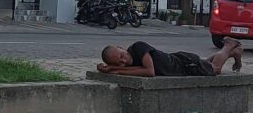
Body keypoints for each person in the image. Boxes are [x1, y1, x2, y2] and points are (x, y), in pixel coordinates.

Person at [97, 38, 243, 77]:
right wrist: (111, 68)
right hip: (181, 62)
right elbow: (138, 68)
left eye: (121, 56)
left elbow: (149, 71)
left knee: (215, 69)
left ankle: (228, 46)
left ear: (121, 47)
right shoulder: (128, 63)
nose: (124, 60)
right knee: (205, 64)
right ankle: (233, 53)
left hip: (185, 64)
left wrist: (117, 70)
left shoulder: (137, 47)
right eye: (120, 62)